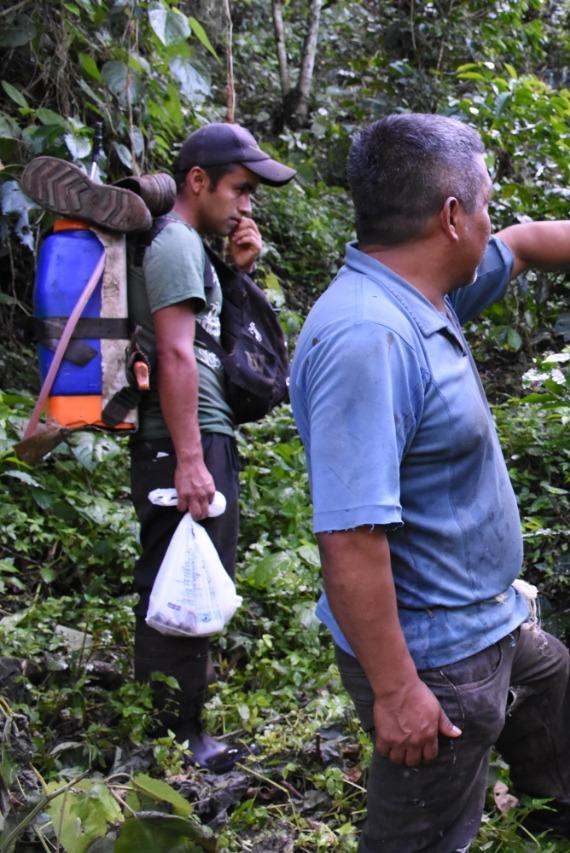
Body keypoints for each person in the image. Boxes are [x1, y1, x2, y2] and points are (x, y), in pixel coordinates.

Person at [289, 113, 570, 851]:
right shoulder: (372, 339)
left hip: (485, 620)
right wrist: (398, 692)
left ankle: (566, 826)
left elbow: (523, 245)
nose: (494, 215)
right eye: (486, 199)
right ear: (451, 217)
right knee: (419, 830)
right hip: (437, 654)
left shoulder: (422, 292)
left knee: (544, 676)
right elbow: (350, 537)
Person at [126, 123, 295, 771]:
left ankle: (183, 729)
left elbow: (204, 341)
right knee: (174, 584)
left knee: (195, 576)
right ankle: (174, 740)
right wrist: (191, 458)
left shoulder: (195, 249)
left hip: (200, 433)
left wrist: (240, 271)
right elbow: (173, 351)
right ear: (198, 181)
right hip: (180, 440)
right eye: (241, 189)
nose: (247, 204)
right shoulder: (174, 244)